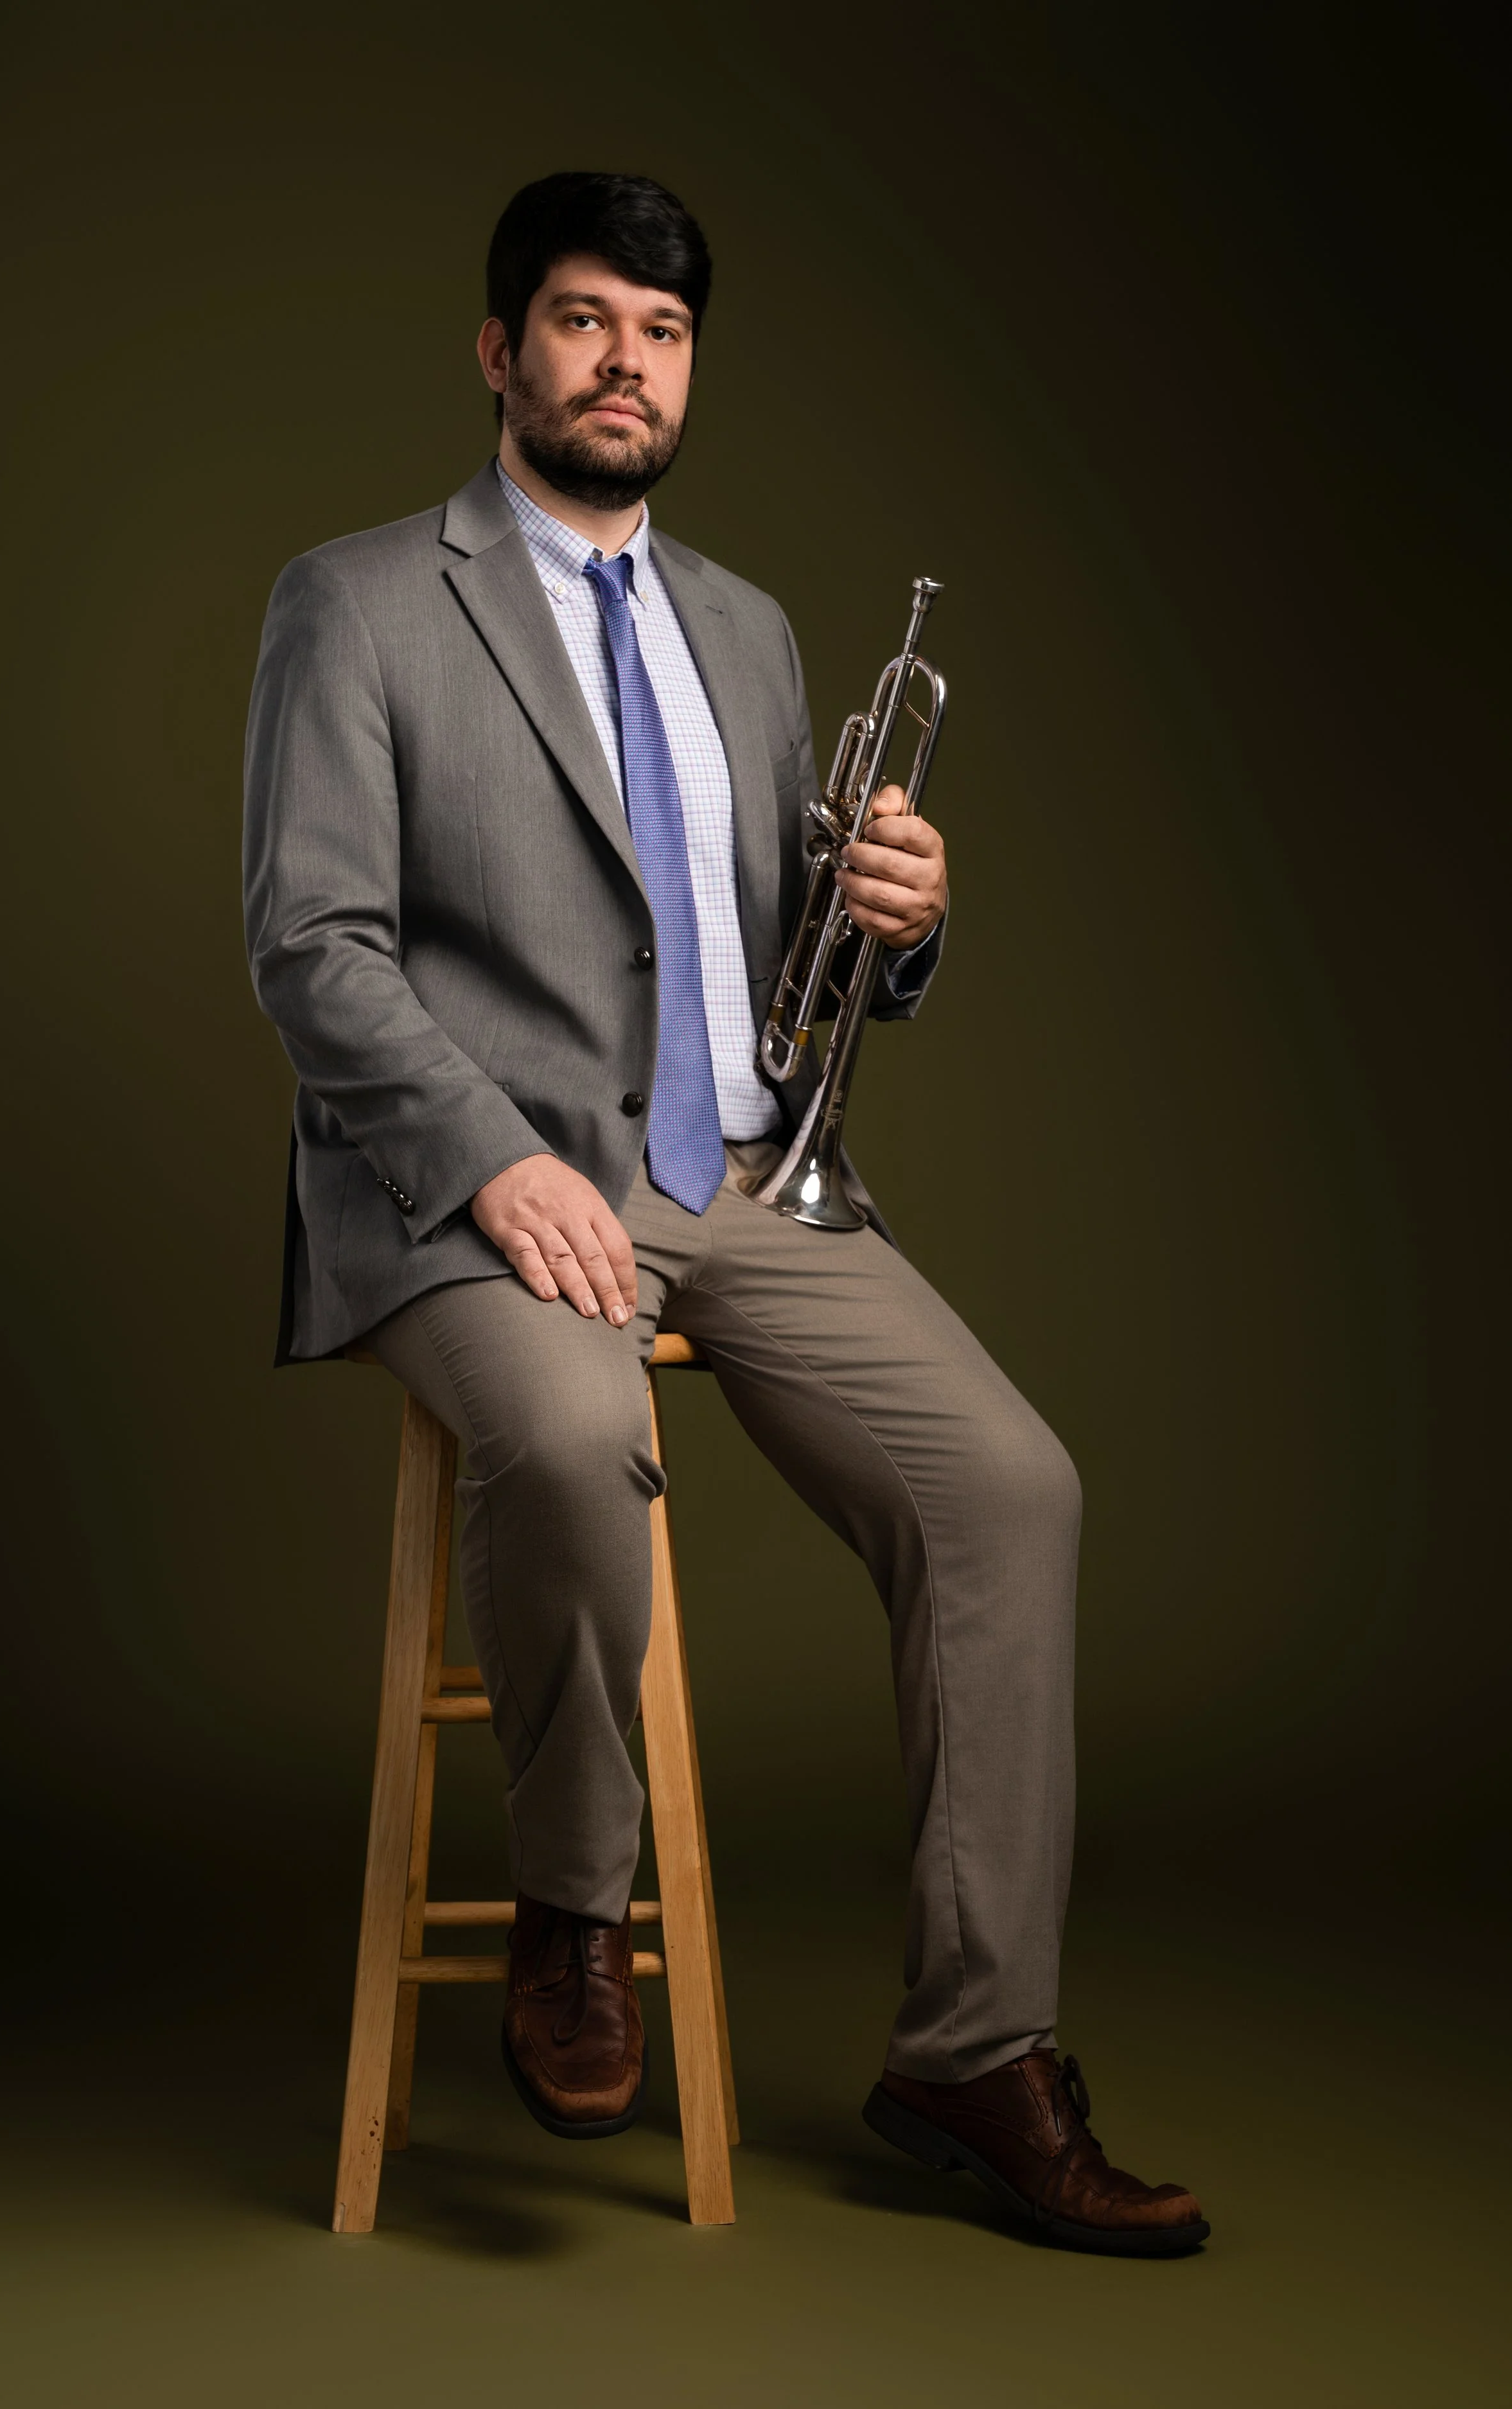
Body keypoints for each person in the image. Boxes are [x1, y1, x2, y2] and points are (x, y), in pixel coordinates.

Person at [242, 171, 1207, 2255]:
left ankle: (974, 2044)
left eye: (660, 334)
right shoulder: (358, 599)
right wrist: (491, 1156)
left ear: (690, 372)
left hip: (742, 1171)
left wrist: (907, 920)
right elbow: (311, 944)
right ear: (500, 352)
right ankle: (574, 1914)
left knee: (1011, 1493)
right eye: (582, 322)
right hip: (475, 1177)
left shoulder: (749, 629)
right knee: (585, 1430)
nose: (623, 363)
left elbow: (787, 960)